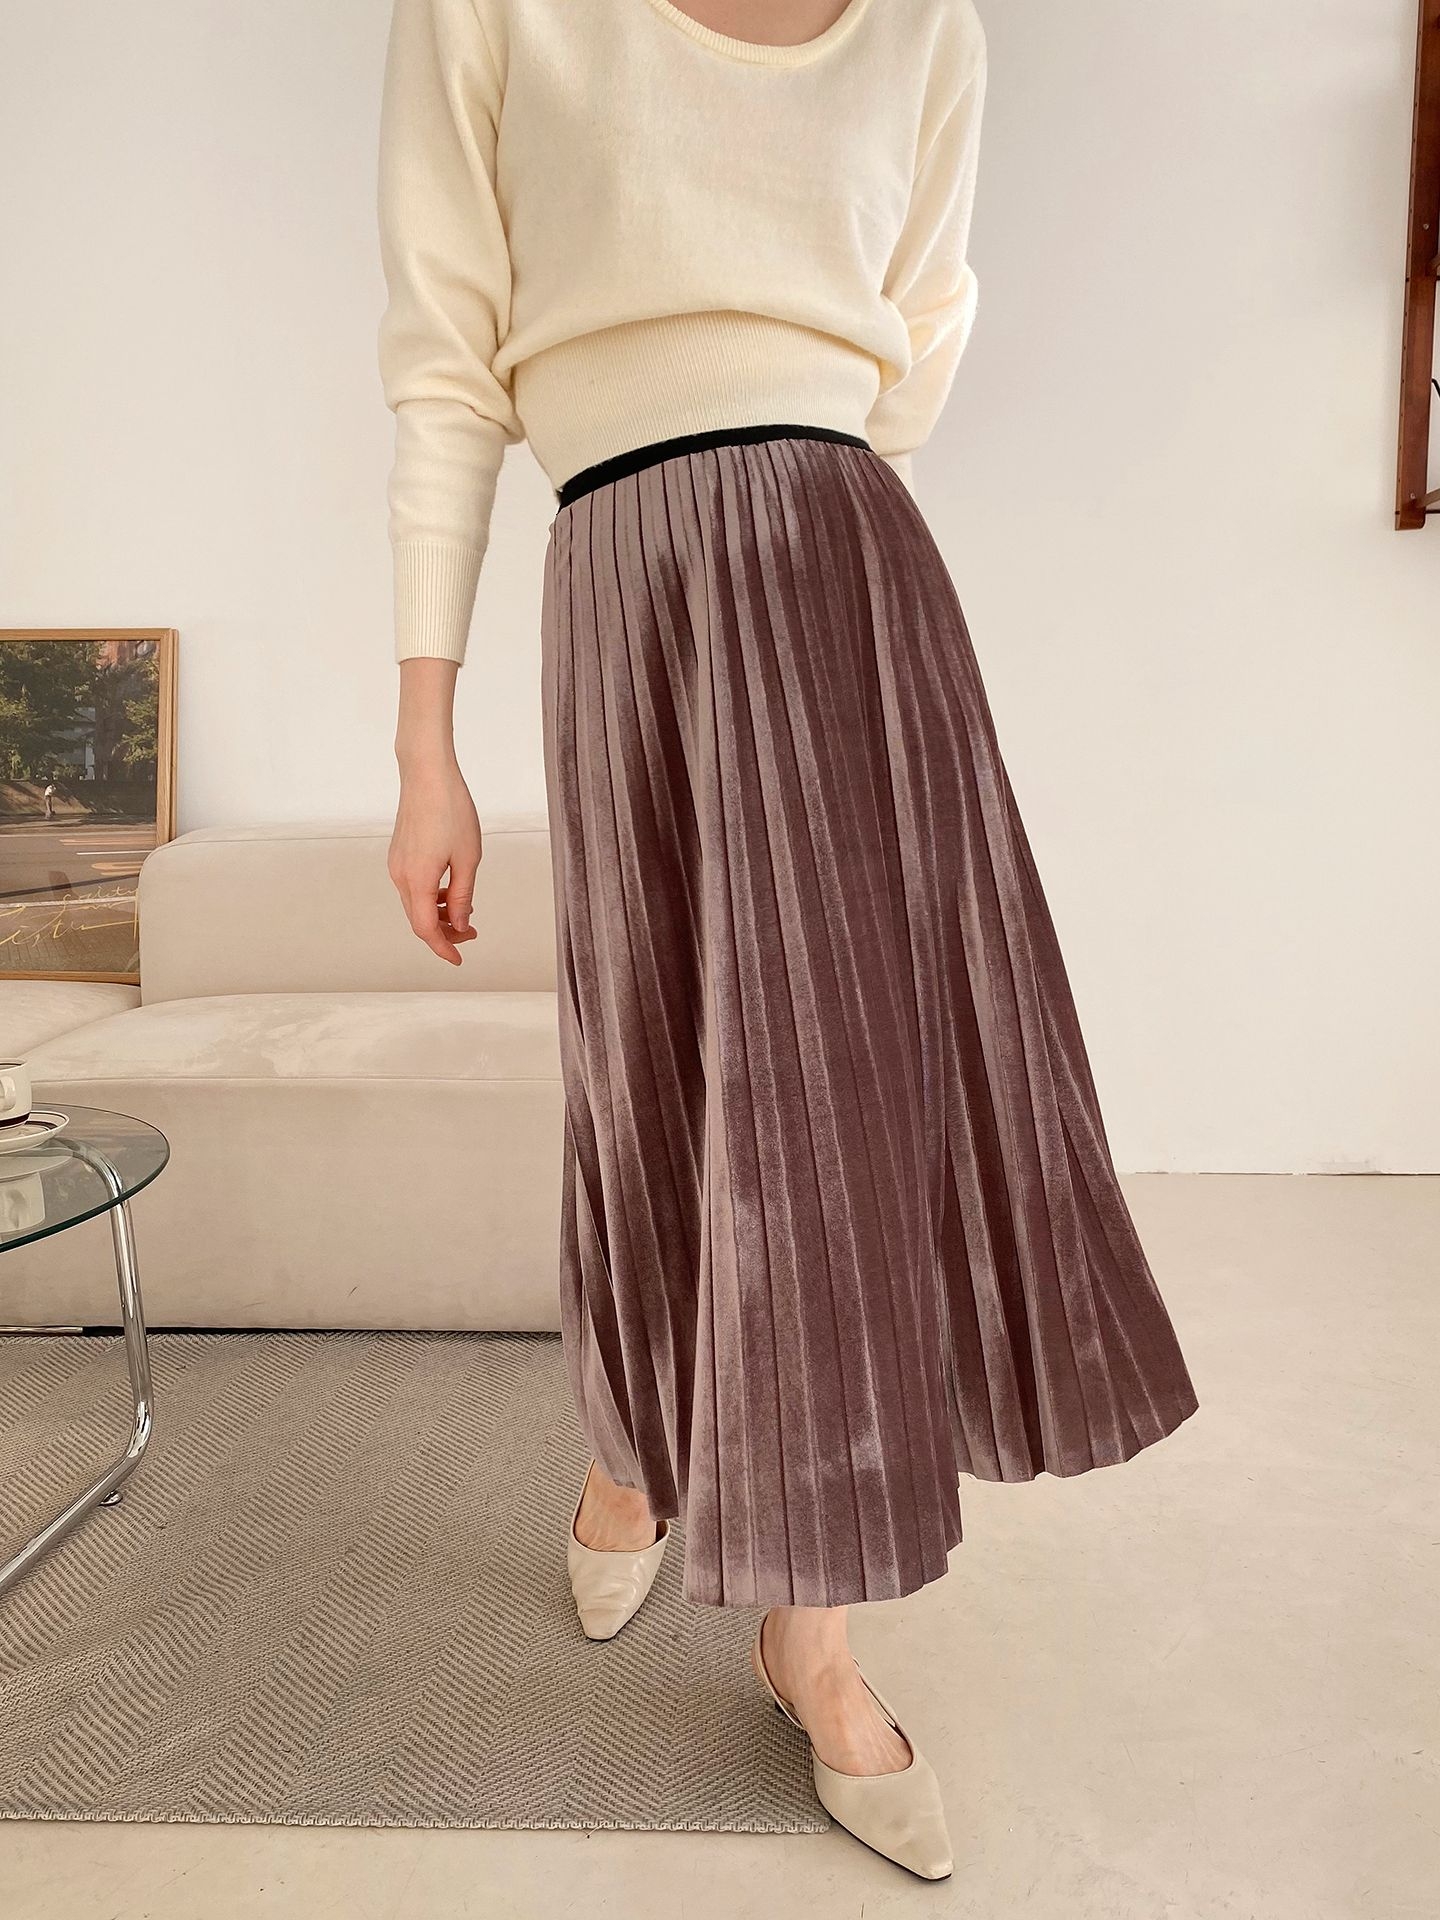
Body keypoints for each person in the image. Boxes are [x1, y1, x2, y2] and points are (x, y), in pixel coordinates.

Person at [376, 0, 1199, 1881]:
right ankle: (634, 1446)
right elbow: (444, 363)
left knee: (844, 1109)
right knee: (645, 1065)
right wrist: (425, 743)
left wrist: (787, 469)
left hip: (844, 563)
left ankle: (809, 1636)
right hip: (624, 571)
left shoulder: (923, 28)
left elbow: (920, 334)